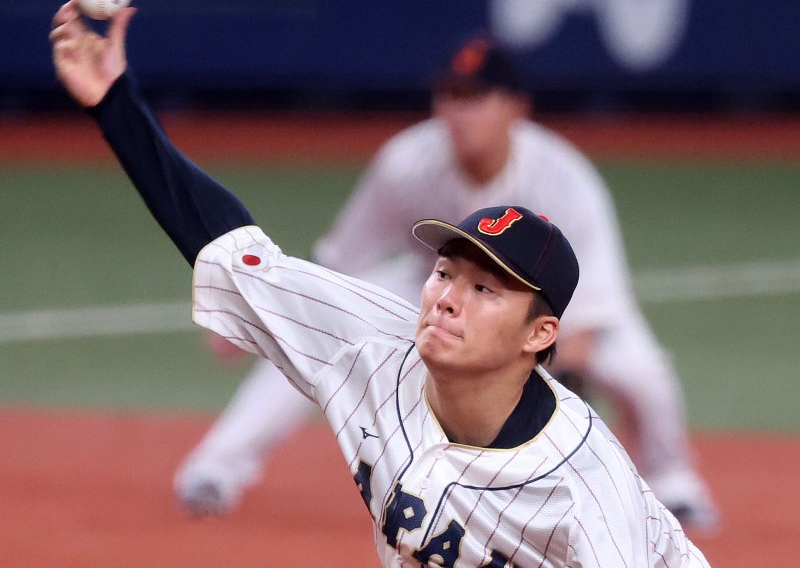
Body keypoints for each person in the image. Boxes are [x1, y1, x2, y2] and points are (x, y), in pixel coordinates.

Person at [50, 0, 800, 568]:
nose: (448, 296)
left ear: (539, 335)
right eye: (447, 270)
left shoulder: (580, 485)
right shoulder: (373, 348)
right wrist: (113, 101)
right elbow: (231, 248)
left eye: (485, 287)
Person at [174, 35, 719, 532]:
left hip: (549, 306)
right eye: (449, 96)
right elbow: (342, 259)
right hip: (431, 280)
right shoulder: (408, 162)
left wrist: (547, 409)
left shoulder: (564, 178)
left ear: (514, 108)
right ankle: (217, 466)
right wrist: (261, 311)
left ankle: (672, 480)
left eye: (475, 98)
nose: (457, 113)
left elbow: (588, 317)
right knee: (319, 335)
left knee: (640, 372)